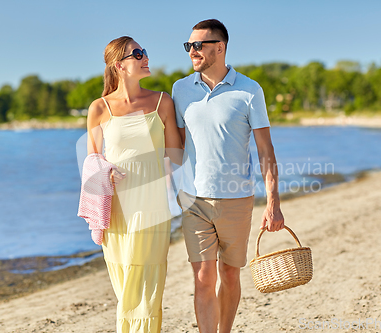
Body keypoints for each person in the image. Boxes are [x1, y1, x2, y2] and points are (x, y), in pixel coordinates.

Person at [172, 19, 285, 333]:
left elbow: (266, 150)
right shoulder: (180, 90)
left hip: (237, 198)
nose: (192, 51)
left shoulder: (249, 91)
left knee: (230, 275)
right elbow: (177, 145)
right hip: (193, 198)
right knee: (203, 277)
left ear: (219, 48)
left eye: (199, 45)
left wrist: (273, 202)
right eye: (189, 45)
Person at [86, 36, 182, 333]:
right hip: (115, 209)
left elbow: (176, 156)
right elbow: (91, 161)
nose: (145, 57)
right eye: (137, 54)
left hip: (151, 207)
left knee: (147, 282)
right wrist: (105, 173)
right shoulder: (99, 108)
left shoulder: (163, 102)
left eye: (145, 52)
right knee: (125, 281)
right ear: (119, 65)